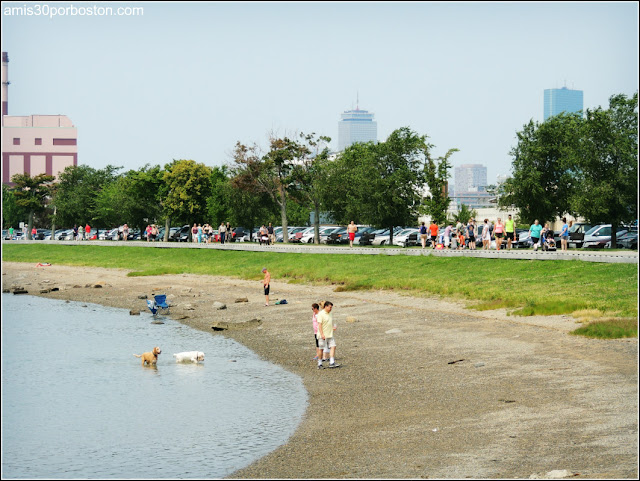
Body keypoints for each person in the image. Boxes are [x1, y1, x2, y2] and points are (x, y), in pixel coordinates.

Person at [316, 301, 339, 369]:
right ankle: (319, 363)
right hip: (322, 335)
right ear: (325, 307)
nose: (330, 309)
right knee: (321, 349)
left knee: (333, 346)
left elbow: (329, 323)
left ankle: (332, 362)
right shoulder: (321, 314)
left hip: (330, 334)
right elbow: (319, 325)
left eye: (331, 307)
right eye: (330, 307)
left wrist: (332, 328)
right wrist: (322, 334)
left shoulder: (330, 313)